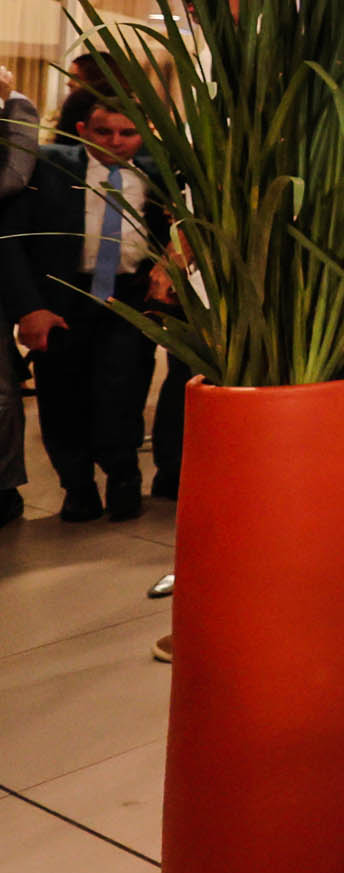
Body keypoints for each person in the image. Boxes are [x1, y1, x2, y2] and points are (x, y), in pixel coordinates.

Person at [0, 100, 173, 523]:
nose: (116, 142)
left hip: (127, 299)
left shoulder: (157, 175)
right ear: (82, 129)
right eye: (103, 131)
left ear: (144, 133)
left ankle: (123, 477)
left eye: (127, 133)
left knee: (122, 393)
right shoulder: (49, 167)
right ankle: (77, 487)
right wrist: (29, 308)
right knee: (61, 397)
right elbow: (11, 239)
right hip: (63, 297)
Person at [0, 65, 39, 527]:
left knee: (2, 392)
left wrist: (8, 101)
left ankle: (4, 486)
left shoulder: (15, 109)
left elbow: (12, 177)